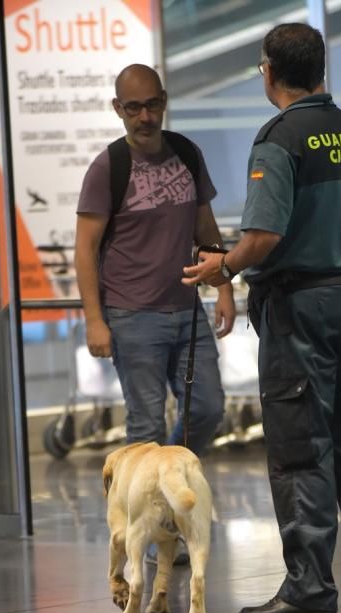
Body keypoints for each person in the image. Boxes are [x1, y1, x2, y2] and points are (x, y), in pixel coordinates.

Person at [183, 23, 341, 613]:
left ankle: (308, 588)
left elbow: (264, 236)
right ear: (321, 69)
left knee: (303, 446)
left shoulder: (279, 138)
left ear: (268, 71)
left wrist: (220, 265)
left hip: (301, 306)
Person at [75, 64, 235, 565]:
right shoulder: (108, 167)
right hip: (131, 315)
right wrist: (95, 320)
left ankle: (163, 497)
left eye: (152, 104)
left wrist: (224, 285)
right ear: (118, 109)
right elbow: (86, 248)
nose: (145, 116)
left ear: (164, 101)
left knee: (207, 410)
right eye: (133, 107)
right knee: (143, 423)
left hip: (187, 311)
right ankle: (142, 533)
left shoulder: (187, 153)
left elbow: (205, 226)